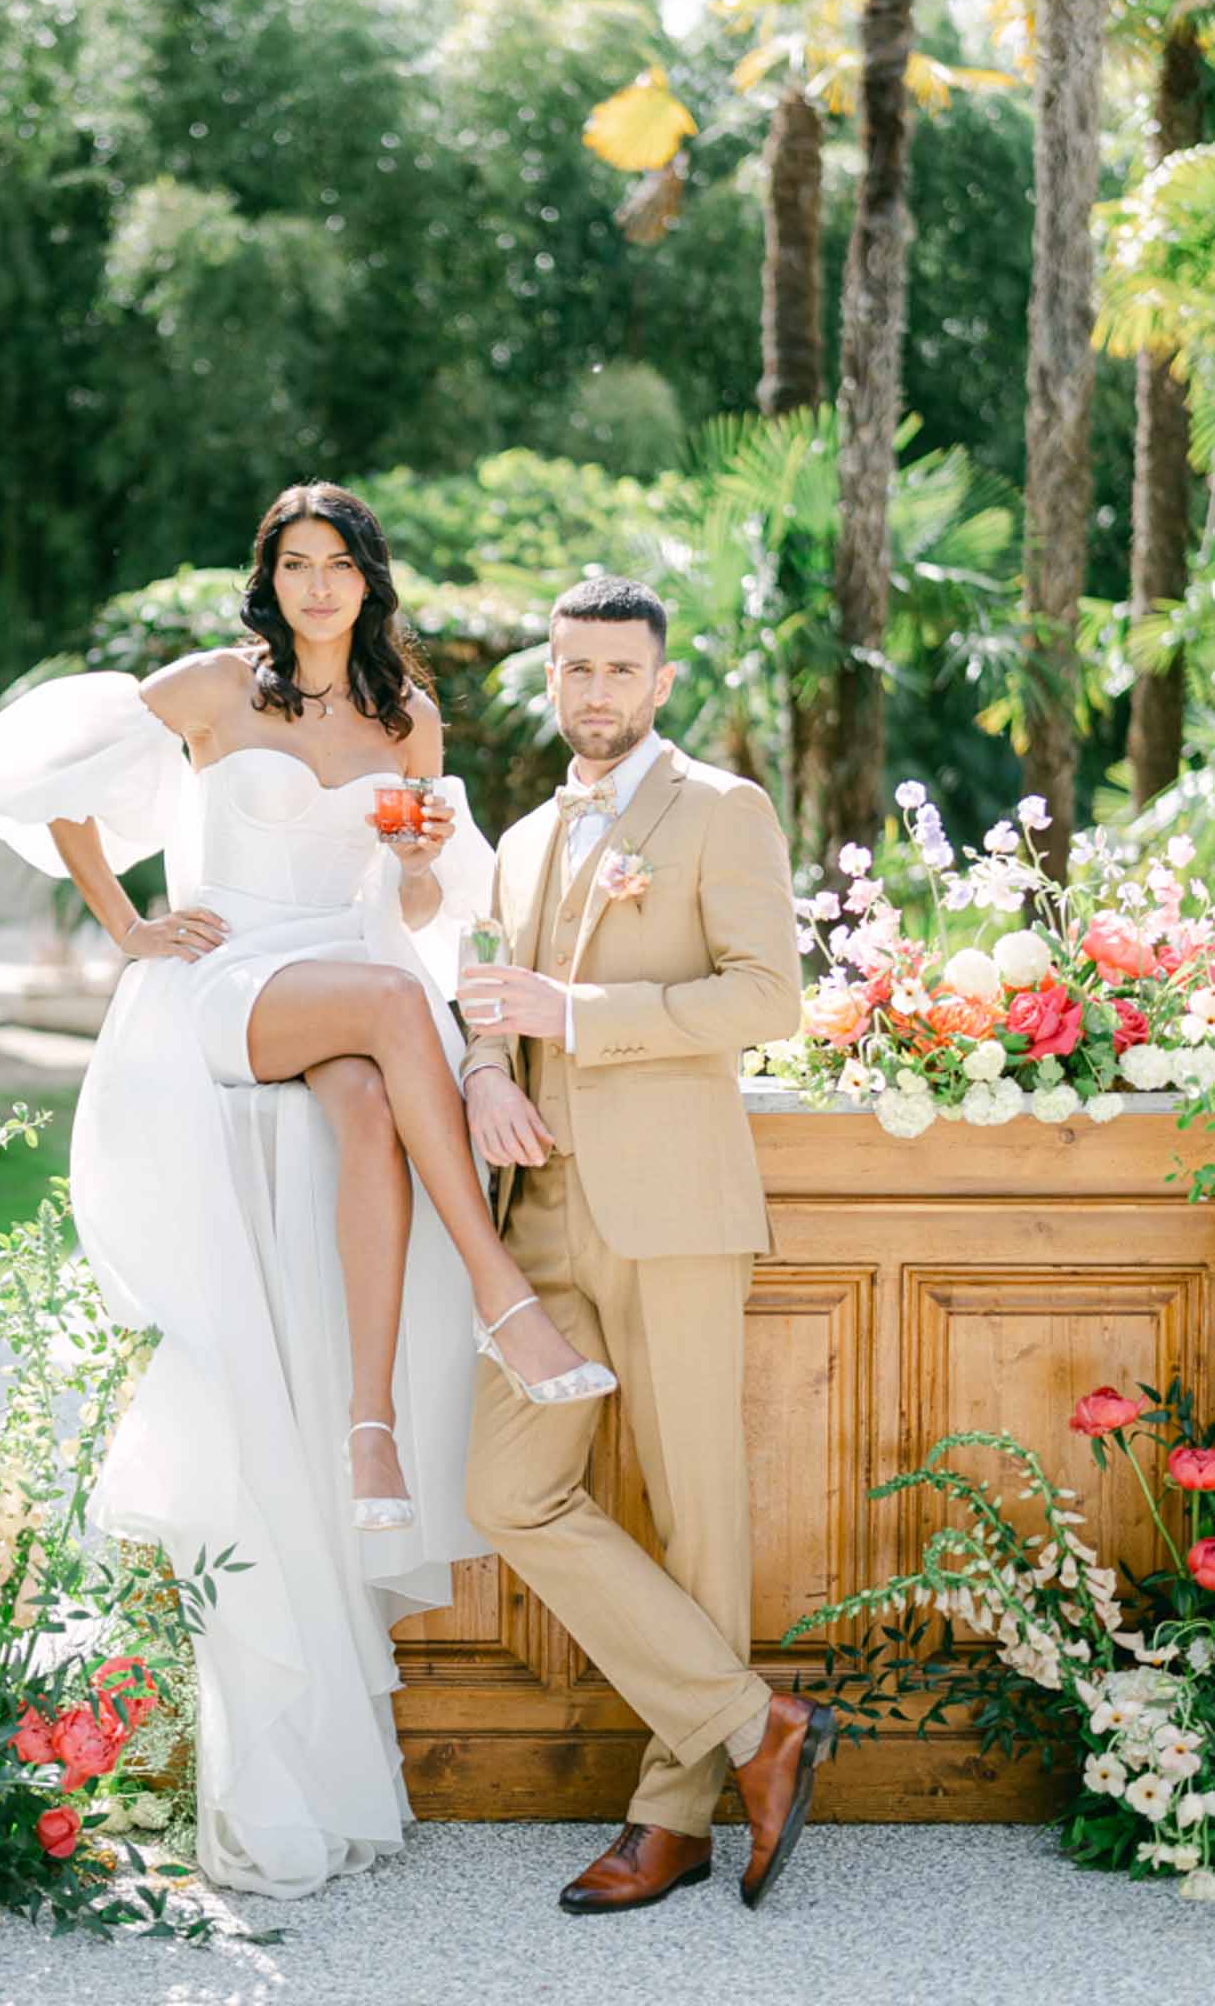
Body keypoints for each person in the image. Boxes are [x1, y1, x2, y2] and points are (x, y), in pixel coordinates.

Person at [0, 482, 612, 1900]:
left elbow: (416, 918)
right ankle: (501, 1297)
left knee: (375, 1079)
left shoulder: (407, 722)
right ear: (270, 580)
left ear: (371, 582)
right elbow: (49, 782)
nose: (317, 587)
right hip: (219, 985)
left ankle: (368, 1429)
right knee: (381, 1012)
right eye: (294, 566)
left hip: (344, 994)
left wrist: (423, 864)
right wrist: (126, 919)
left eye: (338, 566)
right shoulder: (210, 686)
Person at [458, 575, 834, 1915]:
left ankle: (666, 1818)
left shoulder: (720, 809)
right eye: (574, 670)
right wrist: (492, 1059)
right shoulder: (515, 837)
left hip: (673, 1209)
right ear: (549, 680)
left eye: (620, 670)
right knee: (507, 1494)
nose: (596, 693)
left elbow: (768, 996)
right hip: (539, 1220)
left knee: (695, 1521)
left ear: (660, 681)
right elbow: (486, 981)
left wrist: (579, 1009)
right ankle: (753, 1724)